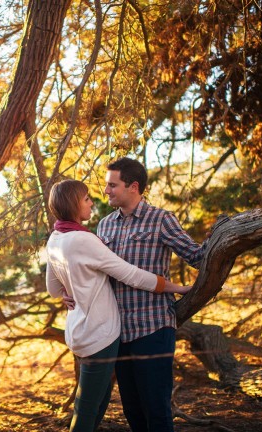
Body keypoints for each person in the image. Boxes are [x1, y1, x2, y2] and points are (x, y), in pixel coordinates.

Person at [45, 179, 192, 432]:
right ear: (73, 204)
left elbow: (53, 289)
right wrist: (176, 287)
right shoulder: (83, 239)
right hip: (99, 335)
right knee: (88, 409)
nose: (92, 201)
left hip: (79, 331)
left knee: (97, 404)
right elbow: (130, 274)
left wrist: (70, 291)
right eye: (86, 198)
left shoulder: (56, 237)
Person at [98, 157, 207, 432]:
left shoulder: (161, 219)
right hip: (118, 334)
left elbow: (197, 256)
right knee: (132, 410)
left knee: (156, 410)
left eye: (112, 185)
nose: (106, 190)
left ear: (133, 186)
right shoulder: (105, 225)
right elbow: (95, 273)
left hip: (153, 329)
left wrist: (228, 239)